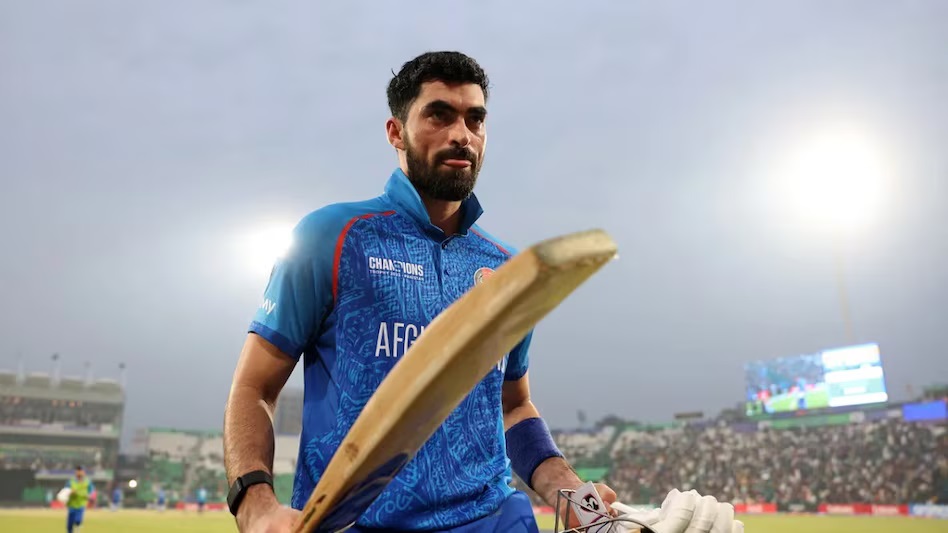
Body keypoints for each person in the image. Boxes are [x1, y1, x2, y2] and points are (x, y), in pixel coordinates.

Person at [223, 51, 739, 533]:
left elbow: (514, 407)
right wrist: (255, 503)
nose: (461, 135)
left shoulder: (507, 268)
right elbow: (255, 388)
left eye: (475, 120)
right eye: (439, 115)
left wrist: (582, 505)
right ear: (395, 132)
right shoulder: (332, 237)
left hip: (495, 519)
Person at [64, 466, 94, 533]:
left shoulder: (87, 482)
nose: (79, 473)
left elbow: (91, 490)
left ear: (84, 472)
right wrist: (70, 492)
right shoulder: (71, 482)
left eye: (81, 471)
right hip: (72, 504)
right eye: (78, 471)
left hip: (81, 504)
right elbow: (65, 490)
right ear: (76, 472)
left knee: (78, 520)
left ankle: (78, 525)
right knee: (69, 525)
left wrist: (89, 496)